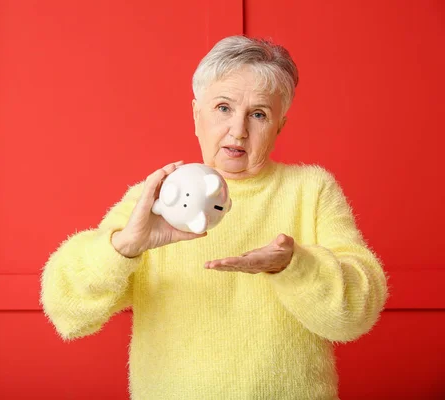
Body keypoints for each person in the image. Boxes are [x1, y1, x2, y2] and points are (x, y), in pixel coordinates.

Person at [40, 35, 388, 399]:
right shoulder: (157, 196)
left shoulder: (311, 190)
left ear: (279, 126)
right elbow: (67, 312)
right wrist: (125, 246)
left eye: (258, 114)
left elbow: (355, 316)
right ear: (196, 115)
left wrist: (293, 265)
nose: (238, 130)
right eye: (223, 108)